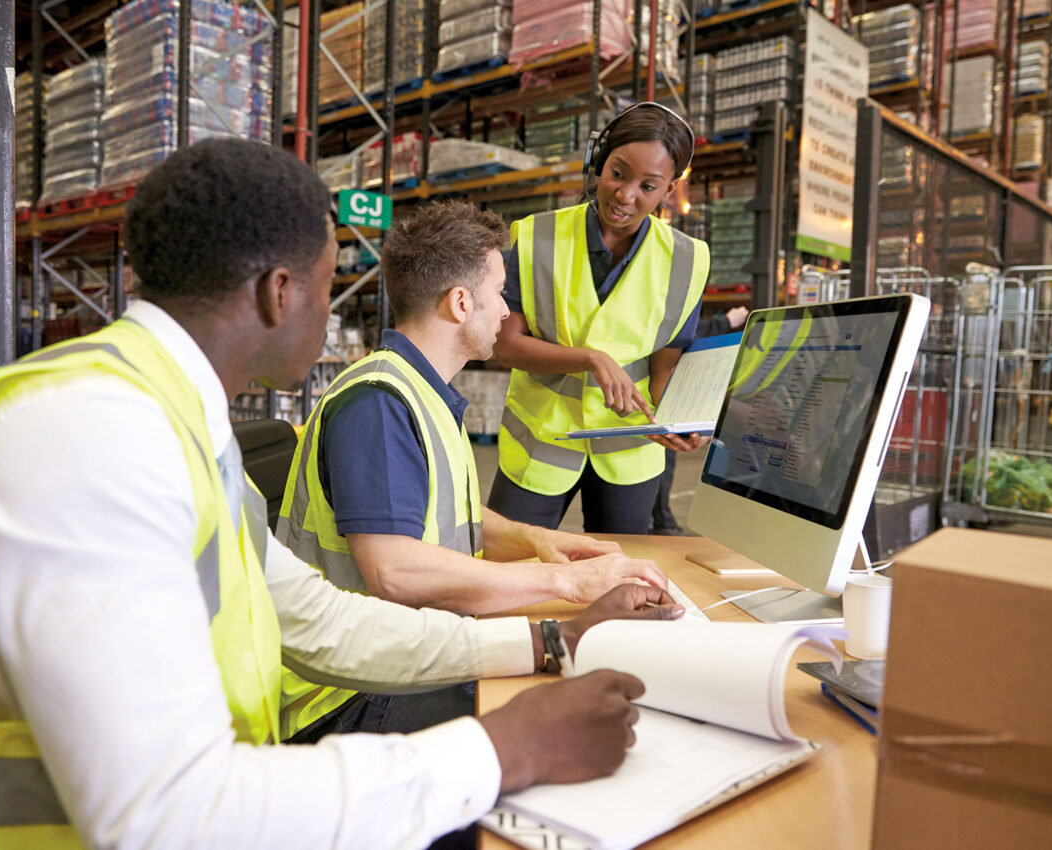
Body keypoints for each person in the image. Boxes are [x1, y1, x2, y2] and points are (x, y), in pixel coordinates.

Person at [0, 139, 686, 850]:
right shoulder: (88, 436)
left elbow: (316, 620)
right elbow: (164, 817)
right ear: (279, 292)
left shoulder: (172, 414)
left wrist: (546, 640)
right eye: (330, 279)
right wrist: (505, 750)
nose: (339, 305)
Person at [275, 199, 670, 741]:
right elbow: (396, 571)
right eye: (499, 294)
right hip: (348, 697)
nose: (507, 311)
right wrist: (565, 582)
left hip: (401, 660)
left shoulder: (418, 390)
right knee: (586, 704)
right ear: (461, 303)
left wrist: (537, 540)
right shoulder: (377, 404)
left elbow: (447, 514)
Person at [489, 102, 712, 535]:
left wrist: (679, 421)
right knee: (505, 561)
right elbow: (505, 346)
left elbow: (663, 369)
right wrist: (589, 358)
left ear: (669, 191)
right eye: (617, 174)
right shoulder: (535, 236)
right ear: (598, 162)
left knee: (621, 579)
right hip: (541, 441)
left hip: (629, 451)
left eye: (648, 186)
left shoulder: (688, 260)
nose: (626, 195)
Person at [651, 305, 750, 535]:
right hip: (650, 404)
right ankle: (662, 521)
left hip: (660, 401)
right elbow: (684, 331)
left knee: (665, 460)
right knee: (664, 459)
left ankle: (662, 520)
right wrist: (724, 321)